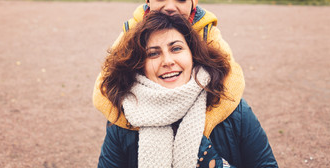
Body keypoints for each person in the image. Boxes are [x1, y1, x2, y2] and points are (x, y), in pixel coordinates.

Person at [93, 0, 245, 141]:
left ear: (193, 3)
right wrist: (139, 125)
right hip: (148, 123)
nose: (170, 6)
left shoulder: (206, 32)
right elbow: (102, 89)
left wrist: (199, 129)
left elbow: (233, 82)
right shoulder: (133, 30)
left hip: (194, 123)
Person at [97, 12, 278, 167]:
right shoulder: (124, 117)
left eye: (176, 48)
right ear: (140, 65)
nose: (167, 61)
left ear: (193, 55)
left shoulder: (234, 110)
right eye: (153, 53)